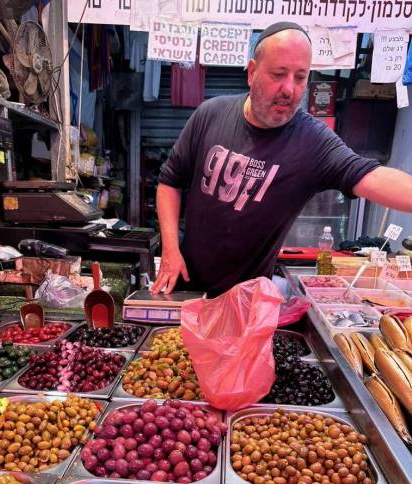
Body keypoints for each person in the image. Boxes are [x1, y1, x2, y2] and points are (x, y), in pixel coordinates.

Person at [151, 21, 412, 297]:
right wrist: (170, 249)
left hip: (248, 305)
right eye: (278, 74)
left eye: (300, 77)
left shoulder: (312, 141)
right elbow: (169, 182)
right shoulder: (210, 114)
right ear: (252, 72)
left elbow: (371, 177)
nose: (289, 89)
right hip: (187, 290)